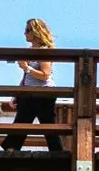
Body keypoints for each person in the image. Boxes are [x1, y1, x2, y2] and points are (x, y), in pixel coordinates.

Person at [6, 19, 63, 153]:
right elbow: (27, 77)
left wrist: (26, 68)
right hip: (29, 92)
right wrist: (17, 94)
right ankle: (11, 148)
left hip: (44, 93)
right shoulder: (29, 50)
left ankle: (57, 152)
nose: (24, 33)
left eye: (27, 30)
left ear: (36, 32)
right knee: (21, 120)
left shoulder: (44, 51)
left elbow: (45, 75)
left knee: (48, 123)